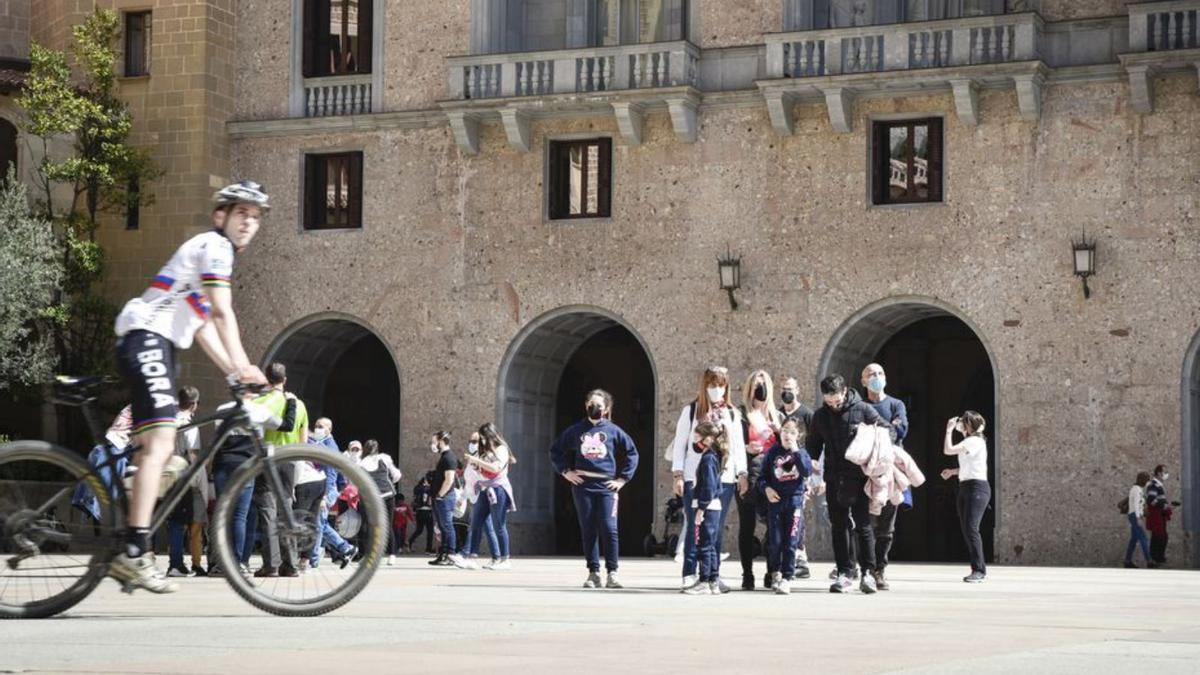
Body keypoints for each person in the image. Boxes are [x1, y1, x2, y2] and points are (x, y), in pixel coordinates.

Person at [110, 180, 270, 592]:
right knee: (162, 444)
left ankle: (135, 509)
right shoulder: (214, 248)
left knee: (160, 450)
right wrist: (244, 364)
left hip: (157, 344)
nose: (248, 223)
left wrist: (231, 373)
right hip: (147, 338)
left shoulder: (208, 256)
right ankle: (133, 551)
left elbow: (200, 326)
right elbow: (221, 312)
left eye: (255, 218)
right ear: (222, 216)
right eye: (241, 215)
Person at [550, 389, 640, 589]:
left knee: (609, 528)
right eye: (591, 404)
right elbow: (556, 450)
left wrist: (622, 480)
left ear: (606, 409)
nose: (594, 408)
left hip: (607, 486)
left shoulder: (613, 431)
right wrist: (566, 472)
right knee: (589, 528)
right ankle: (593, 572)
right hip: (583, 486)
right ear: (585, 405)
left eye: (599, 405)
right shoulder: (576, 430)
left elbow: (632, 453)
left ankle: (613, 573)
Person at [670, 367, 746, 592]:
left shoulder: (732, 413)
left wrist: (742, 473)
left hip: (725, 478)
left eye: (721, 385)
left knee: (715, 529)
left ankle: (712, 574)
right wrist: (678, 474)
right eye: (712, 385)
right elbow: (680, 443)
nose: (717, 390)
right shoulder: (692, 410)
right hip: (696, 476)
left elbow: (738, 446)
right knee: (695, 525)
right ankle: (690, 572)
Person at [208, 387, 296, 578]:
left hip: (223, 464)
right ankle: (238, 563)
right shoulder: (258, 410)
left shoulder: (222, 408)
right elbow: (286, 425)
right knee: (240, 517)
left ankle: (219, 563)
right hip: (246, 466)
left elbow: (218, 437)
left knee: (223, 516)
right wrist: (291, 403)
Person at [807, 373, 883, 594]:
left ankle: (869, 572)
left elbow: (887, 431)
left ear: (844, 391)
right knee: (839, 526)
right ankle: (845, 572)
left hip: (858, 477)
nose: (834, 406)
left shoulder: (864, 410)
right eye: (829, 402)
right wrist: (810, 461)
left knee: (863, 525)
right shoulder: (821, 416)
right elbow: (813, 444)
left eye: (837, 401)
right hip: (833, 477)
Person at [250, 363, 308, 578]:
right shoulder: (299, 405)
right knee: (286, 511)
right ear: (285, 380)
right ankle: (291, 564)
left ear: (267, 379)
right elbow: (303, 438)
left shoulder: (259, 402)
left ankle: (271, 564)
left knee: (267, 512)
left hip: (267, 459)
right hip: (290, 460)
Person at [860, 363, 908, 591]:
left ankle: (880, 569)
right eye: (870, 374)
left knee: (886, 527)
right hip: (865, 471)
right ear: (863, 381)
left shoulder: (896, 404)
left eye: (879, 373)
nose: (875, 377)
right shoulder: (859, 406)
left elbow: (900, 429)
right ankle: (865, 569)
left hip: (889, 473)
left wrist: (879, 429)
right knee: (864, 524)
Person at [759, 417, 813, 595]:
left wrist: (796, 451)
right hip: (775, 502)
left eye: (792, 432)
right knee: (775, 541)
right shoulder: (773, 453)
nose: (787, 435)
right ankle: (775, 572)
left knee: (791, 541)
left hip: (794, 502)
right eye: (784, 431)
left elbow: (806, 471)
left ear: (799, 435)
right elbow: (762, 477)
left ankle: (787, 577)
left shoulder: (801, 453)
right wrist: (766, 488)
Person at [739, 369, 782, 591]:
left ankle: (771, 570)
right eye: (756, 384)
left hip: (773, 477)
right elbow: (734, 446)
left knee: (773, 526)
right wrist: (747, 450)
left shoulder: (777, 416)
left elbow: (790, 447)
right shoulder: (740, 414)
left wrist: (779, 431)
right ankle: (747, 574)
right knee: (747, 526)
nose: (760, 388)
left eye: (764, 383)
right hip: (749, 473)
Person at [940, 410, 991, 583]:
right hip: (966, 486)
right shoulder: (969, 441)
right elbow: (971, 466)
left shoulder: (974, 441)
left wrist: (948, 430)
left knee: (971, 528)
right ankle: (977, 567)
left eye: (963, 421)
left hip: (977, 488)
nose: (960, 423)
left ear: (969, 425)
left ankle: (979, 570)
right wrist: (953, 472)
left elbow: (948, 450)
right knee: (967, 529)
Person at [462, 423, 517, 570]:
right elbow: (483, 470)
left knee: (499, 525)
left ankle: (505, 559)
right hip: (485, 489)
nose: (482, 441)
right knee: (476, 523)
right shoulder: (484, 451)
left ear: (490, 436)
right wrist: (477, 466)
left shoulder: (501, 449)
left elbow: (495, 468)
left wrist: (476, 461)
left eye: (483, 438)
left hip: (498, 489)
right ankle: (472, 556)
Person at [777, 376, 814, 579]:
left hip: (801, 470)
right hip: (781, 471)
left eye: (790, 388)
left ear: (798, 390)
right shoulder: (777, 413)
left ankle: (800, 557)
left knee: (797, 513)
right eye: (783, 388)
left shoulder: (807, 414)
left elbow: (816, 442)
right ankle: (788, 555)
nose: (786, 392)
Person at [683, 421, 727, 595]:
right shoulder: (712, 456)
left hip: (707, 508)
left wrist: (701, 509)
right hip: (712, 506)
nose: (695, 441)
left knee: (704, 545)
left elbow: (709, 487)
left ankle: (705, 581)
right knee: (710, 545)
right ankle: (714, 580)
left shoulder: (708, 457)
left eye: (697, 437)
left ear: (708, 439)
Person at [166, 387, 202, 577]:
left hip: (164, 472)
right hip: (181, 473)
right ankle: (176, 564)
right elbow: (193, 454)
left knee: (172, 521)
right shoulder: (189, 424)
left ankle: (175, 562)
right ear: (194, 404)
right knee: (179, 522)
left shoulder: (168, 418)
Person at [360, 439, 403, 565]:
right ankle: (392, 554)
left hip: (372, 497)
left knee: (369, 526)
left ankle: (369, 556)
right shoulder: (385, 458)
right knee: (388, 525)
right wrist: (389, 482)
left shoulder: (361, 462)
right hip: (388, 494)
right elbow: (397, 475)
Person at [428, 431, 464, 567]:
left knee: (447, 526)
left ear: (441, 441)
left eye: (434, 441)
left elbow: (449, 480)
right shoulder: (444, 457)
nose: (433, 444)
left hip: (445, 498)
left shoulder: (449, 458)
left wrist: (439, 496)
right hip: (441, 498)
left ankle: (451, 554)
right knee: (443, 527)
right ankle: (443, 554)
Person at [1145, 464, 1176, 565]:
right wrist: (1164, 507)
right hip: (1156, 516)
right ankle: (1156, 559)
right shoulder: (1154, 485)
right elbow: (1151, 500)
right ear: (1159, 473)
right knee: (1159, 537)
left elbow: (1158, 500)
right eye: (1165, 472)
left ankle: (1157, 559)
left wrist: (1168, 505)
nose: (1166, 474)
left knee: (1160, 537)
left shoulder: (1158, 485)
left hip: (1160, 515)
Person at [1124, 471, 1154, 568]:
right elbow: (1136, 504)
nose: (1147, 481)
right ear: (1140, 479)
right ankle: (1149, 561)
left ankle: (1127, 561)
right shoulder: (1136, 490)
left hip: (1135, 515)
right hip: (1134, 516)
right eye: (1146, 479)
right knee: (1143, 538)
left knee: (1134, 539)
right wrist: (1138, 518)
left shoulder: (1138, 489)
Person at [409, 473, 435, 554]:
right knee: (430, 531)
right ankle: (428, 549)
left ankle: (409, 542)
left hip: (419, 512)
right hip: (427, 511)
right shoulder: (429, 489)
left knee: (419, 530)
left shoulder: (417, 488)